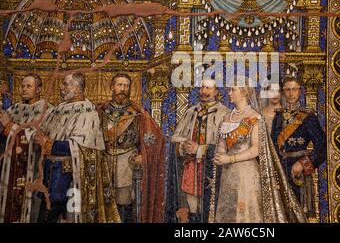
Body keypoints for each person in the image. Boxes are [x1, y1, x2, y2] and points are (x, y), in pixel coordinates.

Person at [209, 83, 306, 223]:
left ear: (243, 93)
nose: (229, 93)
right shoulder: (226, 118)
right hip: (228, 175)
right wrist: (220, 155)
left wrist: (229, 159)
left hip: (247, 175)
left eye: (232, 90)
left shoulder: (255, 117)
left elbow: (256, 149)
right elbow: (222, 145)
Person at [36, 73, 120, 223]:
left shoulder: (88, 112)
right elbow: (43, 131)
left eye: (65, 84)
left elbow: (79, 146)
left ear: (77, 88)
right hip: (50, 172)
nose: (61, 87)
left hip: (69, 175)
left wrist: (49, 144)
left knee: (66, 215)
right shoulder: (59, 108)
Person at [97, 73, 166, 223]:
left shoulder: (137, 112)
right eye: (119, 85)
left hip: (127, 162)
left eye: (126, 86)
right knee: (105, 202)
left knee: (125, 202)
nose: (123, 89)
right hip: (104, 162)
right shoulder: (101, 111)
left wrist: (144, 154)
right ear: (112, 87)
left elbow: (155, 138)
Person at [166, 79, 228, 223]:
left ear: (216, 91)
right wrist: (183, 146)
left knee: (211, 206)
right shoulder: (191, 112)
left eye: (208, 88)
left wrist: (200, 149)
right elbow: (176, 137)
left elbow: (227, 146)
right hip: (191, 167)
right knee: (192, 206)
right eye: (202, 88)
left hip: (213, 169)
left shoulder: (224, 113)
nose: (204, 91)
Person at [271, 77, 326, 217]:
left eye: (294, 89)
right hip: (280, 169)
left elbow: (322, 147)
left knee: (299, 213)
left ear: (300, 92)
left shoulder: (308, 117)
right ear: (283, 92)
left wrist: (303, 164)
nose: (291, 93)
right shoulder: (278, 116)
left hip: (298, 171)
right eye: (287, 90)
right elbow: (273, 145)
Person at [0, 75, 53, 223]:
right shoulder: (16, 108)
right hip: (10, 166)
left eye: (28, 86)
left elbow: (34, 137)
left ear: (39, 89)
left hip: (33, 165)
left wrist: (9, 127)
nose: (24, 89)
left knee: (30, 208)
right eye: (22, 86)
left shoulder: (46, 109)